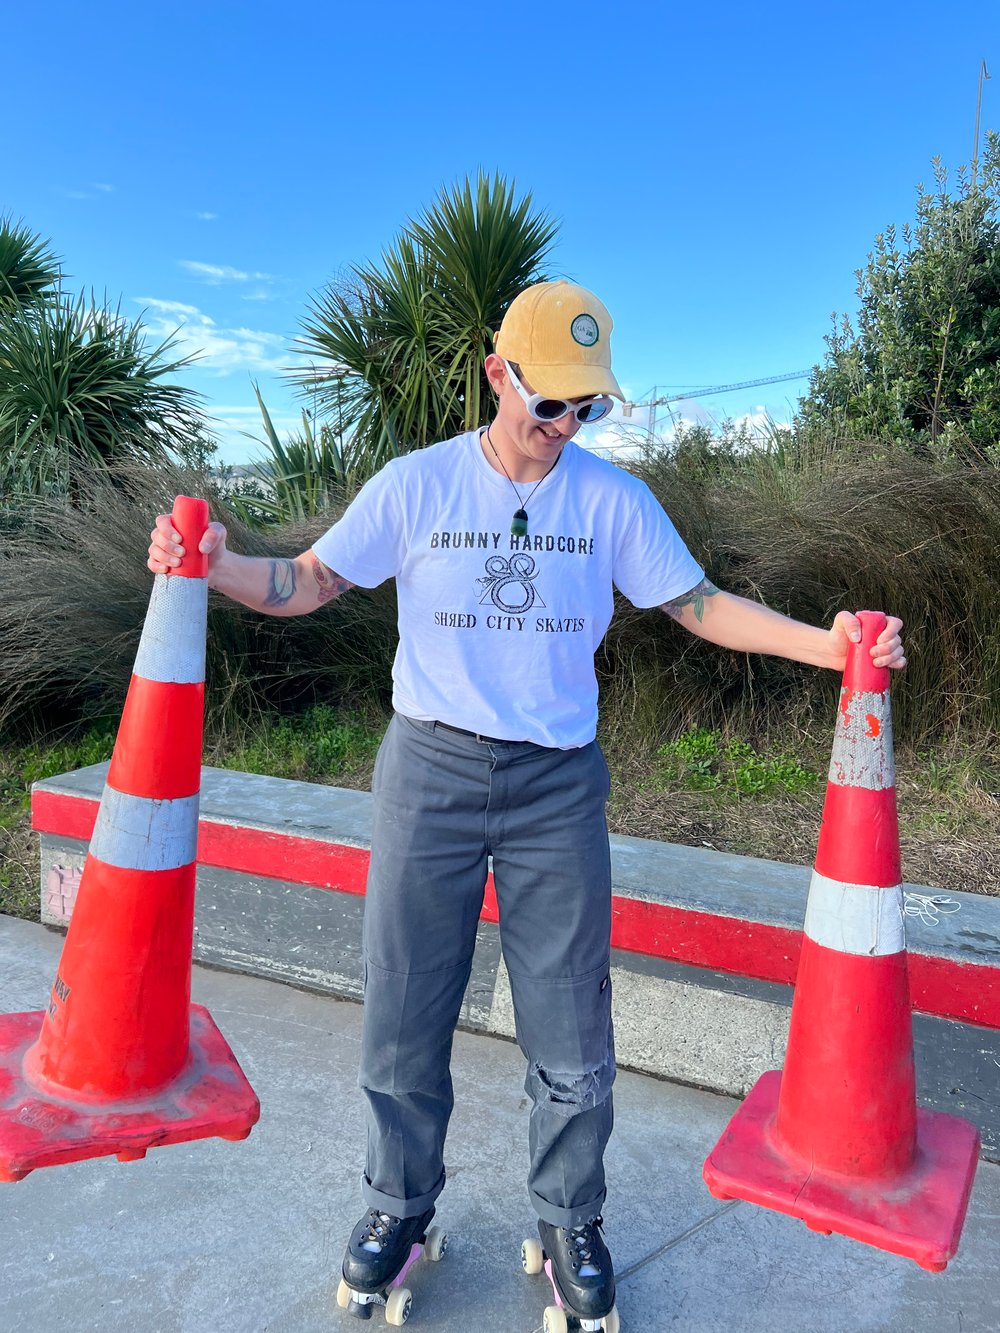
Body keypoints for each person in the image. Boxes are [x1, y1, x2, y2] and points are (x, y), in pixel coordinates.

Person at [148, 280, 905, 1327]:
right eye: (547, 401)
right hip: (430, 773)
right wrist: (218, 563)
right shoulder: (417, 487)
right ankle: (397, 1209)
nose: (563, 426)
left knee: (569, 1021)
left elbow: (695, 603)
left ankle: (566, 1218)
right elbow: (312, 580)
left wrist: (825, 646)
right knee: (404, 1009)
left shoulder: (609, 502)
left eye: (584, 407)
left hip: (555, 784)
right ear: (499, 374)